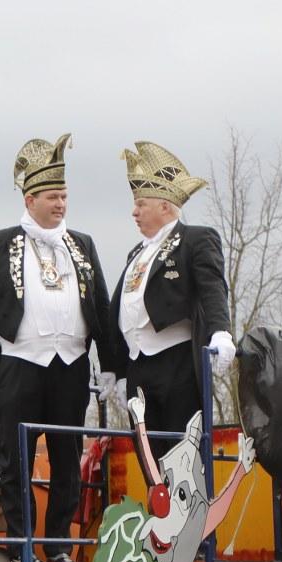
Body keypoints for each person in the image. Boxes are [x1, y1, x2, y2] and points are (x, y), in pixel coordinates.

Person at [0, 134, 115, 562]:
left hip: (71, 364)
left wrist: (112, 367)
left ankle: (57, 545)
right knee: (16, 459)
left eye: (65, 196)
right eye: (53, 197)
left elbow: (102, 307)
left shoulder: (83, 244)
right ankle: (20, 544)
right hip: (20, 363)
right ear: (30, 199)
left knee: (68, 457)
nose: (61, 204)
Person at [105, 140, 233, 440]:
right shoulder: (136, 253)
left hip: (177, 364)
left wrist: (221, 331)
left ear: (164, 206)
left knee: (181, 453)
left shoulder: (195, 239)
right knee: (147, 453)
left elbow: (212, 287)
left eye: (141, 204)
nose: (134, 212)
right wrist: (118, 370)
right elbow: (123, 309)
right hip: (138, 366)